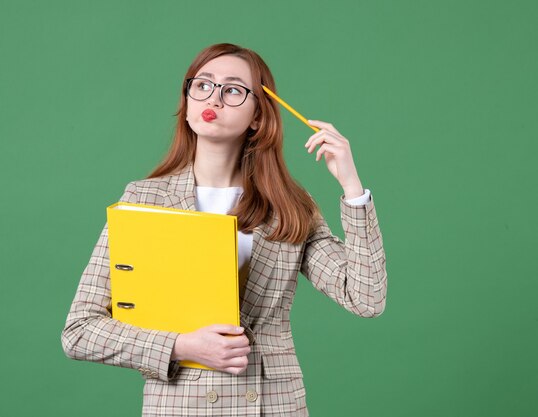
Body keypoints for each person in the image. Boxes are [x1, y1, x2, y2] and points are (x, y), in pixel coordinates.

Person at [61, 43, 387, 416]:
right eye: (202, 85)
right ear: (187, 103)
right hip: (182, 405)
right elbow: (80, 330)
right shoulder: (143, 199)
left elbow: (365, 298)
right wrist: (181, 346)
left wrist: (352, 188)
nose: (213, 96)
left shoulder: (290, 205)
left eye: (233, 89)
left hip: (272, 404)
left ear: (257, 117)